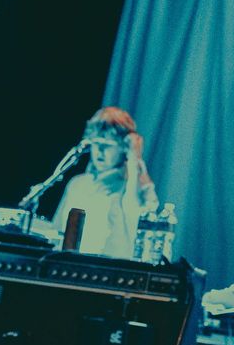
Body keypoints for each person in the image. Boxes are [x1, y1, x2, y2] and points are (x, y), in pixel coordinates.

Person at [52, 106, 160, 258]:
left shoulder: (130, 186)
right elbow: (56, 233)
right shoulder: (77, 184)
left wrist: (134, 158)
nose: (100, 150)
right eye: (96, 143)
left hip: (110, 269)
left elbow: (142, 212)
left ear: (124, 147)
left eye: (107, 145)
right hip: (72, 266)